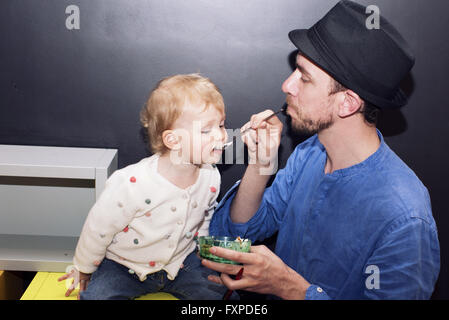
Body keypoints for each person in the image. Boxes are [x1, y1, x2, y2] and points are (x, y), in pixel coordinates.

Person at [202, 0, 440, 299]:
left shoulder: (404, 218)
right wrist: (261, 166)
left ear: (348, 103)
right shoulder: (309, 154)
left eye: (304, 77)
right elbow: (238, 237)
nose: (287, 85)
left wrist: (291, 288)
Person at [58, 73, 231, 299]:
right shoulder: (132, 183)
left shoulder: (210, 177)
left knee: (220, 293)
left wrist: (204, 251)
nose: (220, 135)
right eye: (206, 130)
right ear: (173, 141)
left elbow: (204, 215)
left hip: (181, 264)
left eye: (221, 124)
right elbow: (99, 228)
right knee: (99, 296)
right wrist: (83, 268)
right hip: (124, 266)